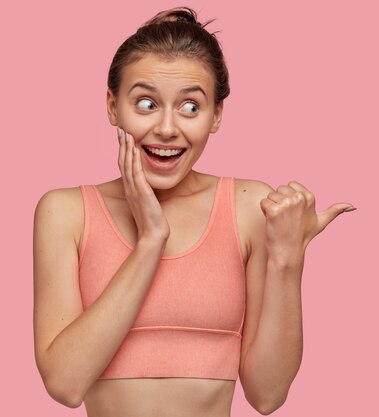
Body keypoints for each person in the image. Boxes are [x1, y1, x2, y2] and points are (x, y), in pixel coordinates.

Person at [33, 7, 355, 417]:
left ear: (216, 115)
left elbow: (267, 395)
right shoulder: (65, 213)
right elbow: (64, 383)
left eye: (190, 107)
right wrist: (151, 240)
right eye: (146, 103)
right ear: (113, 106)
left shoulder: (249, 207)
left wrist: (288, 258)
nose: (167, 128)